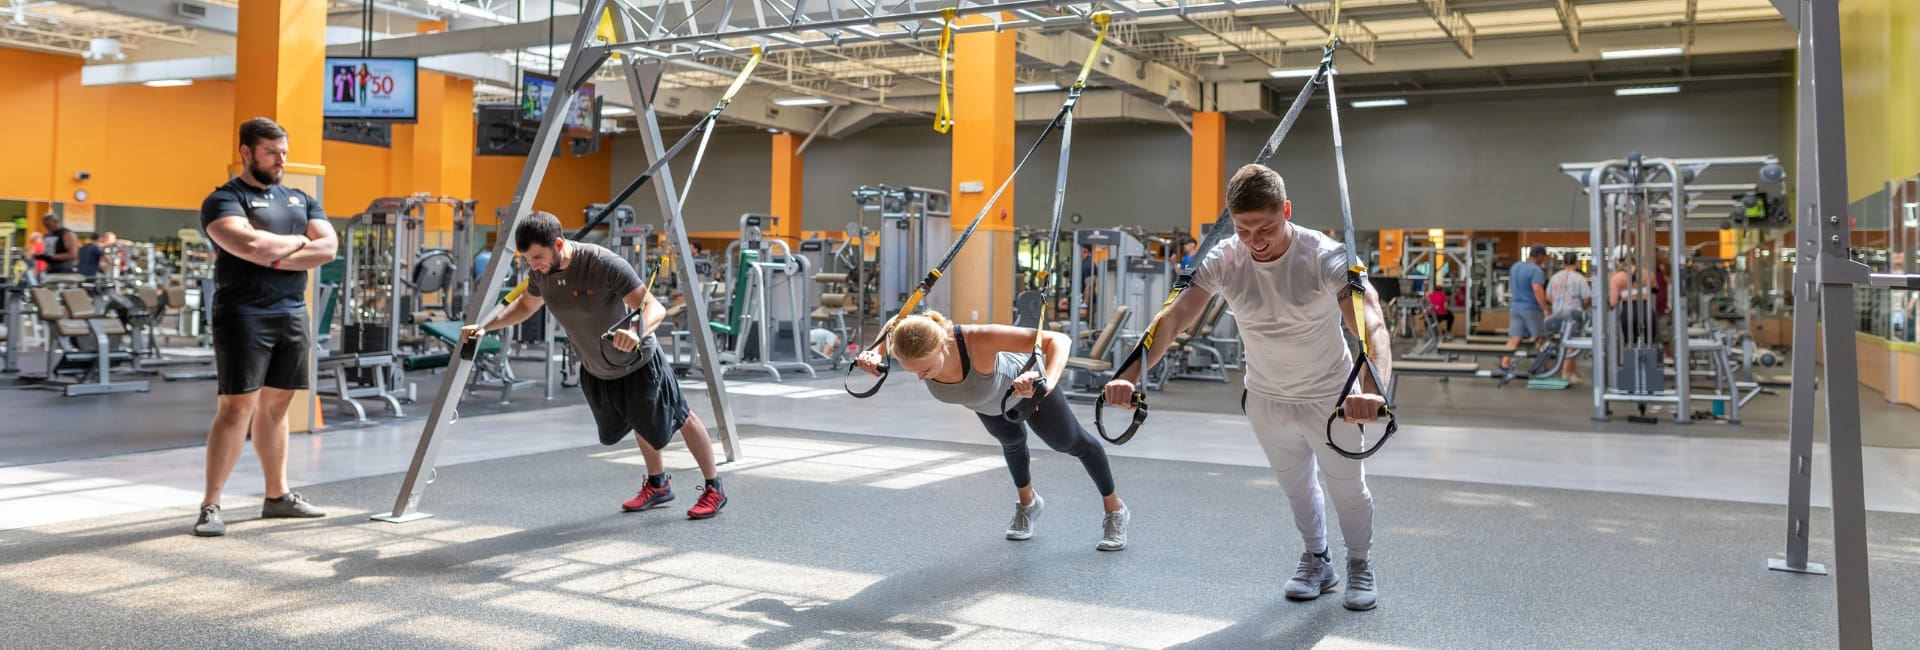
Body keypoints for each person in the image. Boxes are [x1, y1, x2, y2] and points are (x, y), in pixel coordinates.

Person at [1102, 164, 1392, 611]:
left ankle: (1360, 562)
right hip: (1266, 398)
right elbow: (1175, 317)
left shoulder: (1323, 256)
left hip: (1330, 400)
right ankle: (1318, 559)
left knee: (1347, 488)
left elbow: (1370, 321)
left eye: (1266, 229)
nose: (1255, 241)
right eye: (1243, 230)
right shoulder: (1224, 258)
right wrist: (1129, 374)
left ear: (1287, 211)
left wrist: (1373, 388)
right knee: (1296, 486)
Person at [463, 211, 730, 519]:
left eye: (537, 257)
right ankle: (658, 485)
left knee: (681, 415)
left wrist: (635, 332)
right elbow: (525, 306)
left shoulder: (603, 264)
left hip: (639, 361)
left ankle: (714, 487)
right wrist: (486, 326)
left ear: (559, 244)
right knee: (634, 419)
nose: (532, 265)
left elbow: (654, 307)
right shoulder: (539, 274)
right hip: (597, 368)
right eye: (527, 259)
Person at [855, 312, 1129, 550]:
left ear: (942, 345)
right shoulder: (911, 340)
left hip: (1027, 389)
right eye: (912, 371)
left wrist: (1045, 382)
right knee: (1011, 441)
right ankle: (1028, 505)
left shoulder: (975, 340)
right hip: (986, 400)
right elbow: (896, 323)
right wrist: (876, 351)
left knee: (1070, 442)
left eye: (925, 369)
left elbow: (1058, 340)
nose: (920, 376)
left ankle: (1115, 510)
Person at [193, 117, 340, 537]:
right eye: (271, 152)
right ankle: (210, 505)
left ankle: (277, 496)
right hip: (243, 312)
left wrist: (275, 253)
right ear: (246, 152)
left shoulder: (301, 198)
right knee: (236, 408)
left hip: (292, 311)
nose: (280, 160)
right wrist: (296, 244)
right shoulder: (224, 200)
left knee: (277, 408)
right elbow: (249, 245)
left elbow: (328, 248)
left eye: (284, 153)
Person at [1544, 252, 1592, 382]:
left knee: (1565, 341)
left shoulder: (1554, 277)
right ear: (1576, 263)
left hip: (1557, 313)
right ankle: (1565, 373)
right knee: (1572, 344)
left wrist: (1558, 302)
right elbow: (1587, 298)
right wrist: (1583, 307)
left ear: (1563, 263)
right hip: (1572, 314)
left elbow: (1547, 296)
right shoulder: (1579, 278)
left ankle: (1573, 372)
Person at [1501, 244, 1550, 373]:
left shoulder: (1515, 267)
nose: (1543, 260)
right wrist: (1545, 308)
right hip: (1531, 308)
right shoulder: (1536, 270)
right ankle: (1541, 366)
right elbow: (1537, 289)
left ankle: (1504, 364)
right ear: (1539, 256)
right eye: (1543, 257)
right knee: (1540, 337)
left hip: (1516, 307)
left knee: (1515, 338)